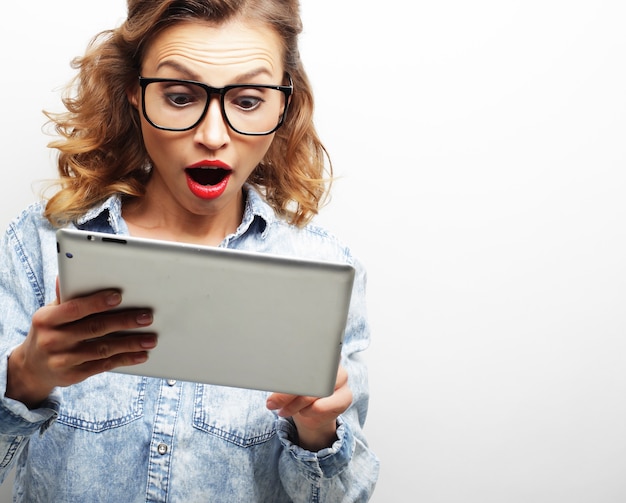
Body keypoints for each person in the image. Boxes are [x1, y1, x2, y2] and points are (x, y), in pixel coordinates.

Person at [0, 0, 379, 502]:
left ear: (284, 103)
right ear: (135, 94)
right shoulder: (40, 244)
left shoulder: (324, 267)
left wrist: (317, 432)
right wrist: (24, 379)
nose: (212, 136)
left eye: (247, 100)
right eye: (179, 96)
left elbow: (340, 497)